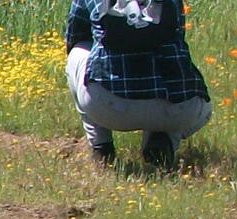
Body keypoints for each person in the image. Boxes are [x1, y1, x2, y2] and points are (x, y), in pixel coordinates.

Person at [65, 0, 212, 167]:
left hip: (109, 107)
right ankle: (164, 140)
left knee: (79, 48)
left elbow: (75, 33)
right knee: (196, 95)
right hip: (176, 110)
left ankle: (101, 147)